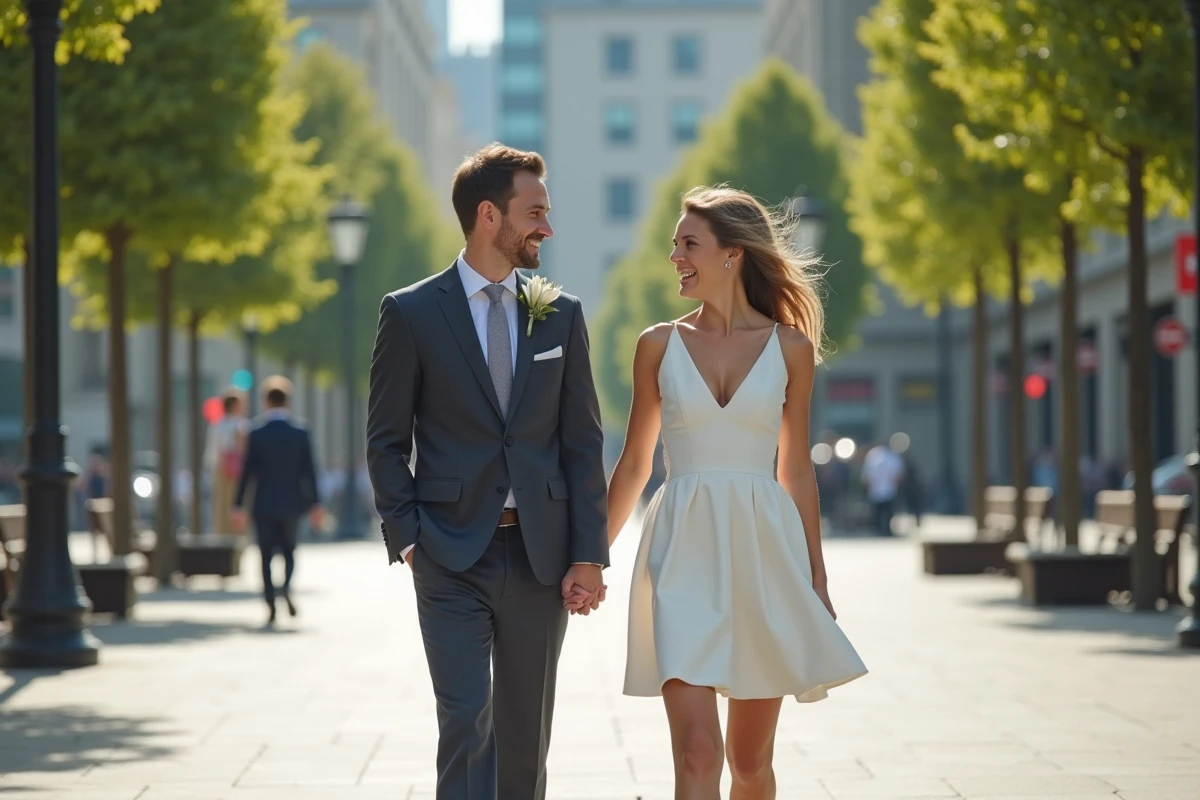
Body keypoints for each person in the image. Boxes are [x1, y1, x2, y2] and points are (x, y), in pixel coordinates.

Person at [365, 144, 609, 800]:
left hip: (541, 557)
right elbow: (385, 441)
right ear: (487, 216)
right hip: (448, 554)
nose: (547, 228)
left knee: (526, 735)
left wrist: (589, 554)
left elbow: (583, 443)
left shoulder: (561, 313)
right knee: (465, 719)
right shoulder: (411, 313)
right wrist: (409, 539)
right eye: (535, 212)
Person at [606, 186, 867, 798]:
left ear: (733, 254)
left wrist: (817, 577)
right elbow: (636, 463)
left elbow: (796, 470)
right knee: (698, 754)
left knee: (749, 764)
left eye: (688, 244)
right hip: (680, 554)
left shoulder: (792, 351)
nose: (674, 256)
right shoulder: (657, 345)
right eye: (674, 245)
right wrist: (591, 557)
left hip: (763, 556)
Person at [232, 377, 322, 625]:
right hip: (293, 503)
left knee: (265, 554)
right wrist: (316, 504)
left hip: (263, 504)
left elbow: (247, 472)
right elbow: (309, 471)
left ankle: (271, 603)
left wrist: (238, 505)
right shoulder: (300, 432)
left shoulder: (256, 433)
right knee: (290, 552)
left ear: (266, 401)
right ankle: (286, 587)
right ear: (287, 401)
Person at [204, 388, 250, 536]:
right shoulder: (242, 424)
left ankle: (222, 538)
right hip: (238, 472)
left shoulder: (217, 425)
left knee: (222, 509)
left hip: (221, 470)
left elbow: (212, 452)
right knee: (239, 508)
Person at [862, 440, 905, 536]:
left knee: (878, 511)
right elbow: (899, 474)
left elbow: (866, 474)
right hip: (889, 488)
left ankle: (879, 528)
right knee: (888, 511)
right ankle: (887, 529)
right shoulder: (893, 457)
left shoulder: (872, 456)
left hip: (876, 488)